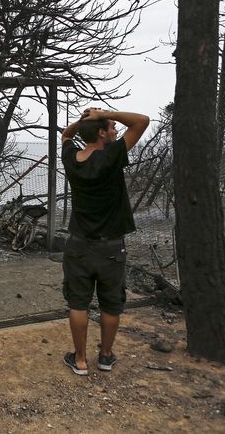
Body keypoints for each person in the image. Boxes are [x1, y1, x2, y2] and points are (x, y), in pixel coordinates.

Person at [60, 107, 149, 375]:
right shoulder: (112, 156)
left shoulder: (71, 158)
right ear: (101, 133)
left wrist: (83, 121)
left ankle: (80, 361)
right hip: (111, 246)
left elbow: (66, 135)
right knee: (111, 304)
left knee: (78, 303)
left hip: (78, 245)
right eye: (111, 127)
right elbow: (142, 121)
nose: (116, 131)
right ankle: (106, 357)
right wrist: (103, 112)